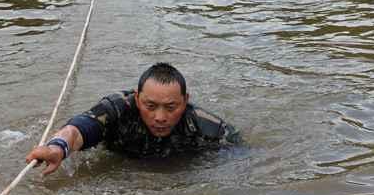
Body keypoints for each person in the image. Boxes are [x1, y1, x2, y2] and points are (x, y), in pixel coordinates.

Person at [26, 63, 240, 175]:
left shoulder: (209, 128)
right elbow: (79, 128)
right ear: (137, 99)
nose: (160, 117)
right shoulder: (118, 108)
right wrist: (58, 148)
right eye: (151, 106)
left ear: (185, 102)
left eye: (171, 107)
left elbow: (240, 158)